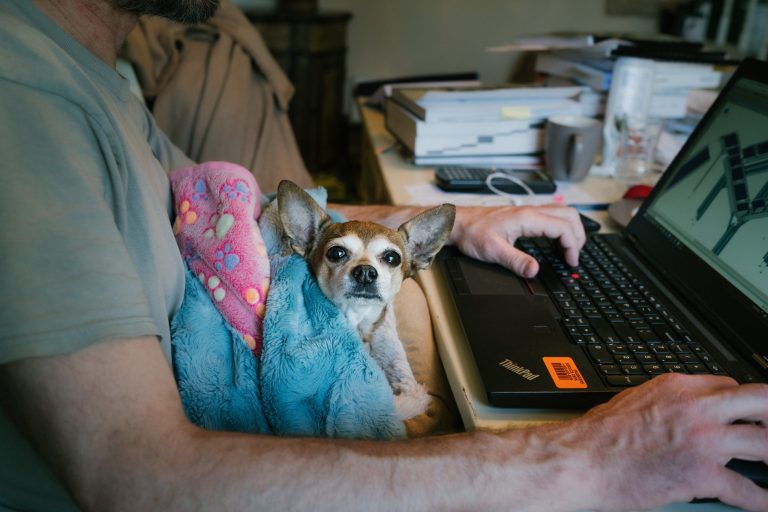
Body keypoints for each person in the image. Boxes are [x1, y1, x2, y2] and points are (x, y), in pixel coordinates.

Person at [0, 1, 766, 511]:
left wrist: (441, 224)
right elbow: (137, 475)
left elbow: (249, 220)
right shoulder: (24, 96)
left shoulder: (87, 68)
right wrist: (590, 456)